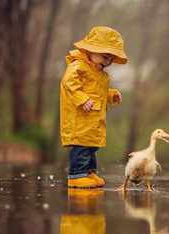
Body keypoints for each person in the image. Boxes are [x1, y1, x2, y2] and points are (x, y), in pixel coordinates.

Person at [60, 26, 128, 188]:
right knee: (81, 146)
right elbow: (68, 83)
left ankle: (89, 173)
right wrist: (82, 99)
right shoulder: (79, 66)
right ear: (90, 49)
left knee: (91, 148)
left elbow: (98, 92)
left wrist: (111, 95)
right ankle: (76, 175)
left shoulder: (100, 74)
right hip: (80, 118)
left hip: (93, 120)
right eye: (105, 56)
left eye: (111, 59)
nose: (108, 62)